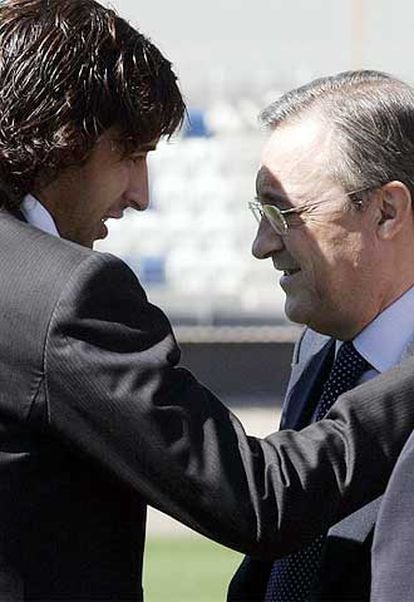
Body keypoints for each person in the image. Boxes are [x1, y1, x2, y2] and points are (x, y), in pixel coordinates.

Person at [0, 2, 413, 599]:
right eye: (133, 154)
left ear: (387, 212)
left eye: (284, 213)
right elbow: (259, 499)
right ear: (69, 136)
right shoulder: (59, 296)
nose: (140, 195)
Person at [228, 69, 414, 602]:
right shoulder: (321, 349)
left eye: (283, 213)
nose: (262, 244)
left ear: (386, 211)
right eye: (261, 212)